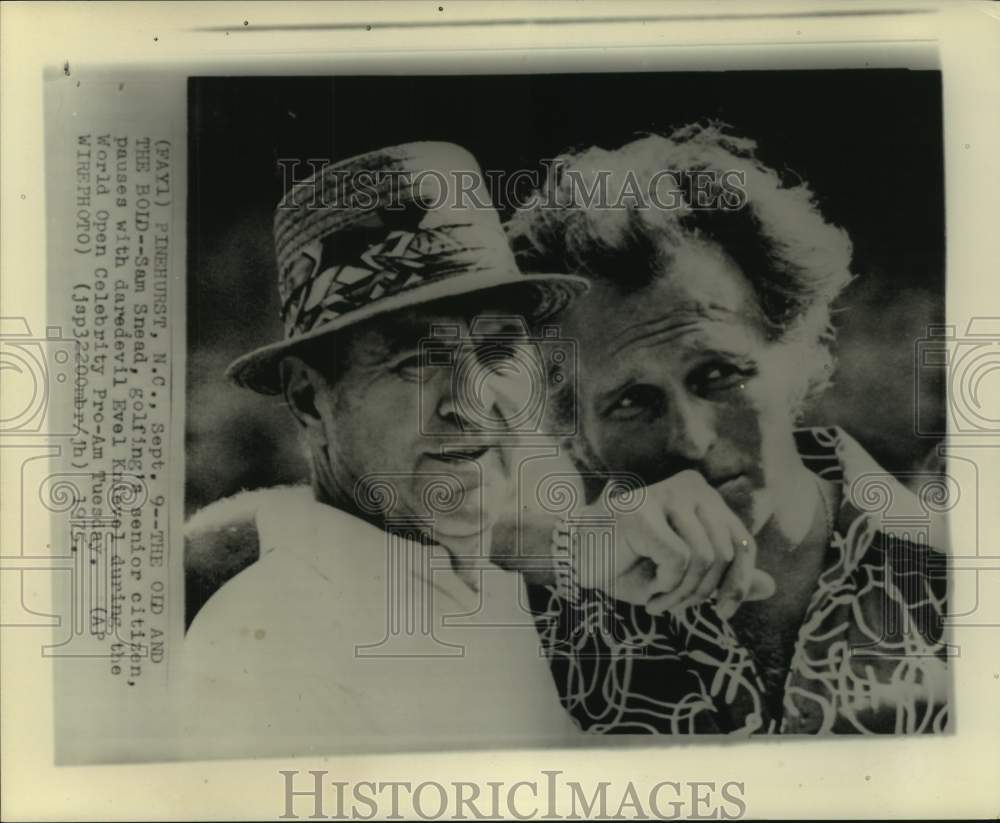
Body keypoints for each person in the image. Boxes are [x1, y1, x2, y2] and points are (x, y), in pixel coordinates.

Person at [505, 123, 950, 735]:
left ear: (795, 350)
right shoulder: (533, 616)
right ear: (573, 427)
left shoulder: (963, 565)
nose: (690, 439)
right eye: (632, 401)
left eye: (718, 374)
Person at [177, 142, 599, 754]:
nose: (473, 399)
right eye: (413, 362)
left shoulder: (487, 581)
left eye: (499, 348)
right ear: (308, 400)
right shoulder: (271, 643)